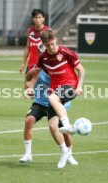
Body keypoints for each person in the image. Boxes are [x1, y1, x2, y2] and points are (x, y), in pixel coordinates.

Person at [27, 29, 85, 168]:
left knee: (52, 97)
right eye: (47, 45)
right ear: (44, 45)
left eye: (52, 44)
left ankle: (66, 125)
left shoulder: (66, 53)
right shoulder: (43, 58)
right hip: (55, 91)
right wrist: (30, 85)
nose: (51, 47)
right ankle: (65, 152)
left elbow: (81, 70)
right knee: (52, 126)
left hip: (70, 87)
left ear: (56, 40)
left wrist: (79, 86)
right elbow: (33, 74)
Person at [20, 70, 78, 167]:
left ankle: (69, 155)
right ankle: (27, 154)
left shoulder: (62, 73)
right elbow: (29, 79)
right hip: (40, 103)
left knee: (65, 132)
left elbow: (68, 89)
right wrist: (28, 89)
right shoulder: (39, 70)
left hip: (55, 105)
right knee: (28, 120)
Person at [19, 9, 49, 89]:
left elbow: (52, 48)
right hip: (31, 63)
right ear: (32, 19)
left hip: (43, 64)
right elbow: (27, 47)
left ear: (43, 18)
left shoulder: (47, 31)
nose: (38, 20)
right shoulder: (30, 30)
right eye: (36, 17)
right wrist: (23, 63)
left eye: (40, 17)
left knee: (42, 88)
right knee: (26, 87)